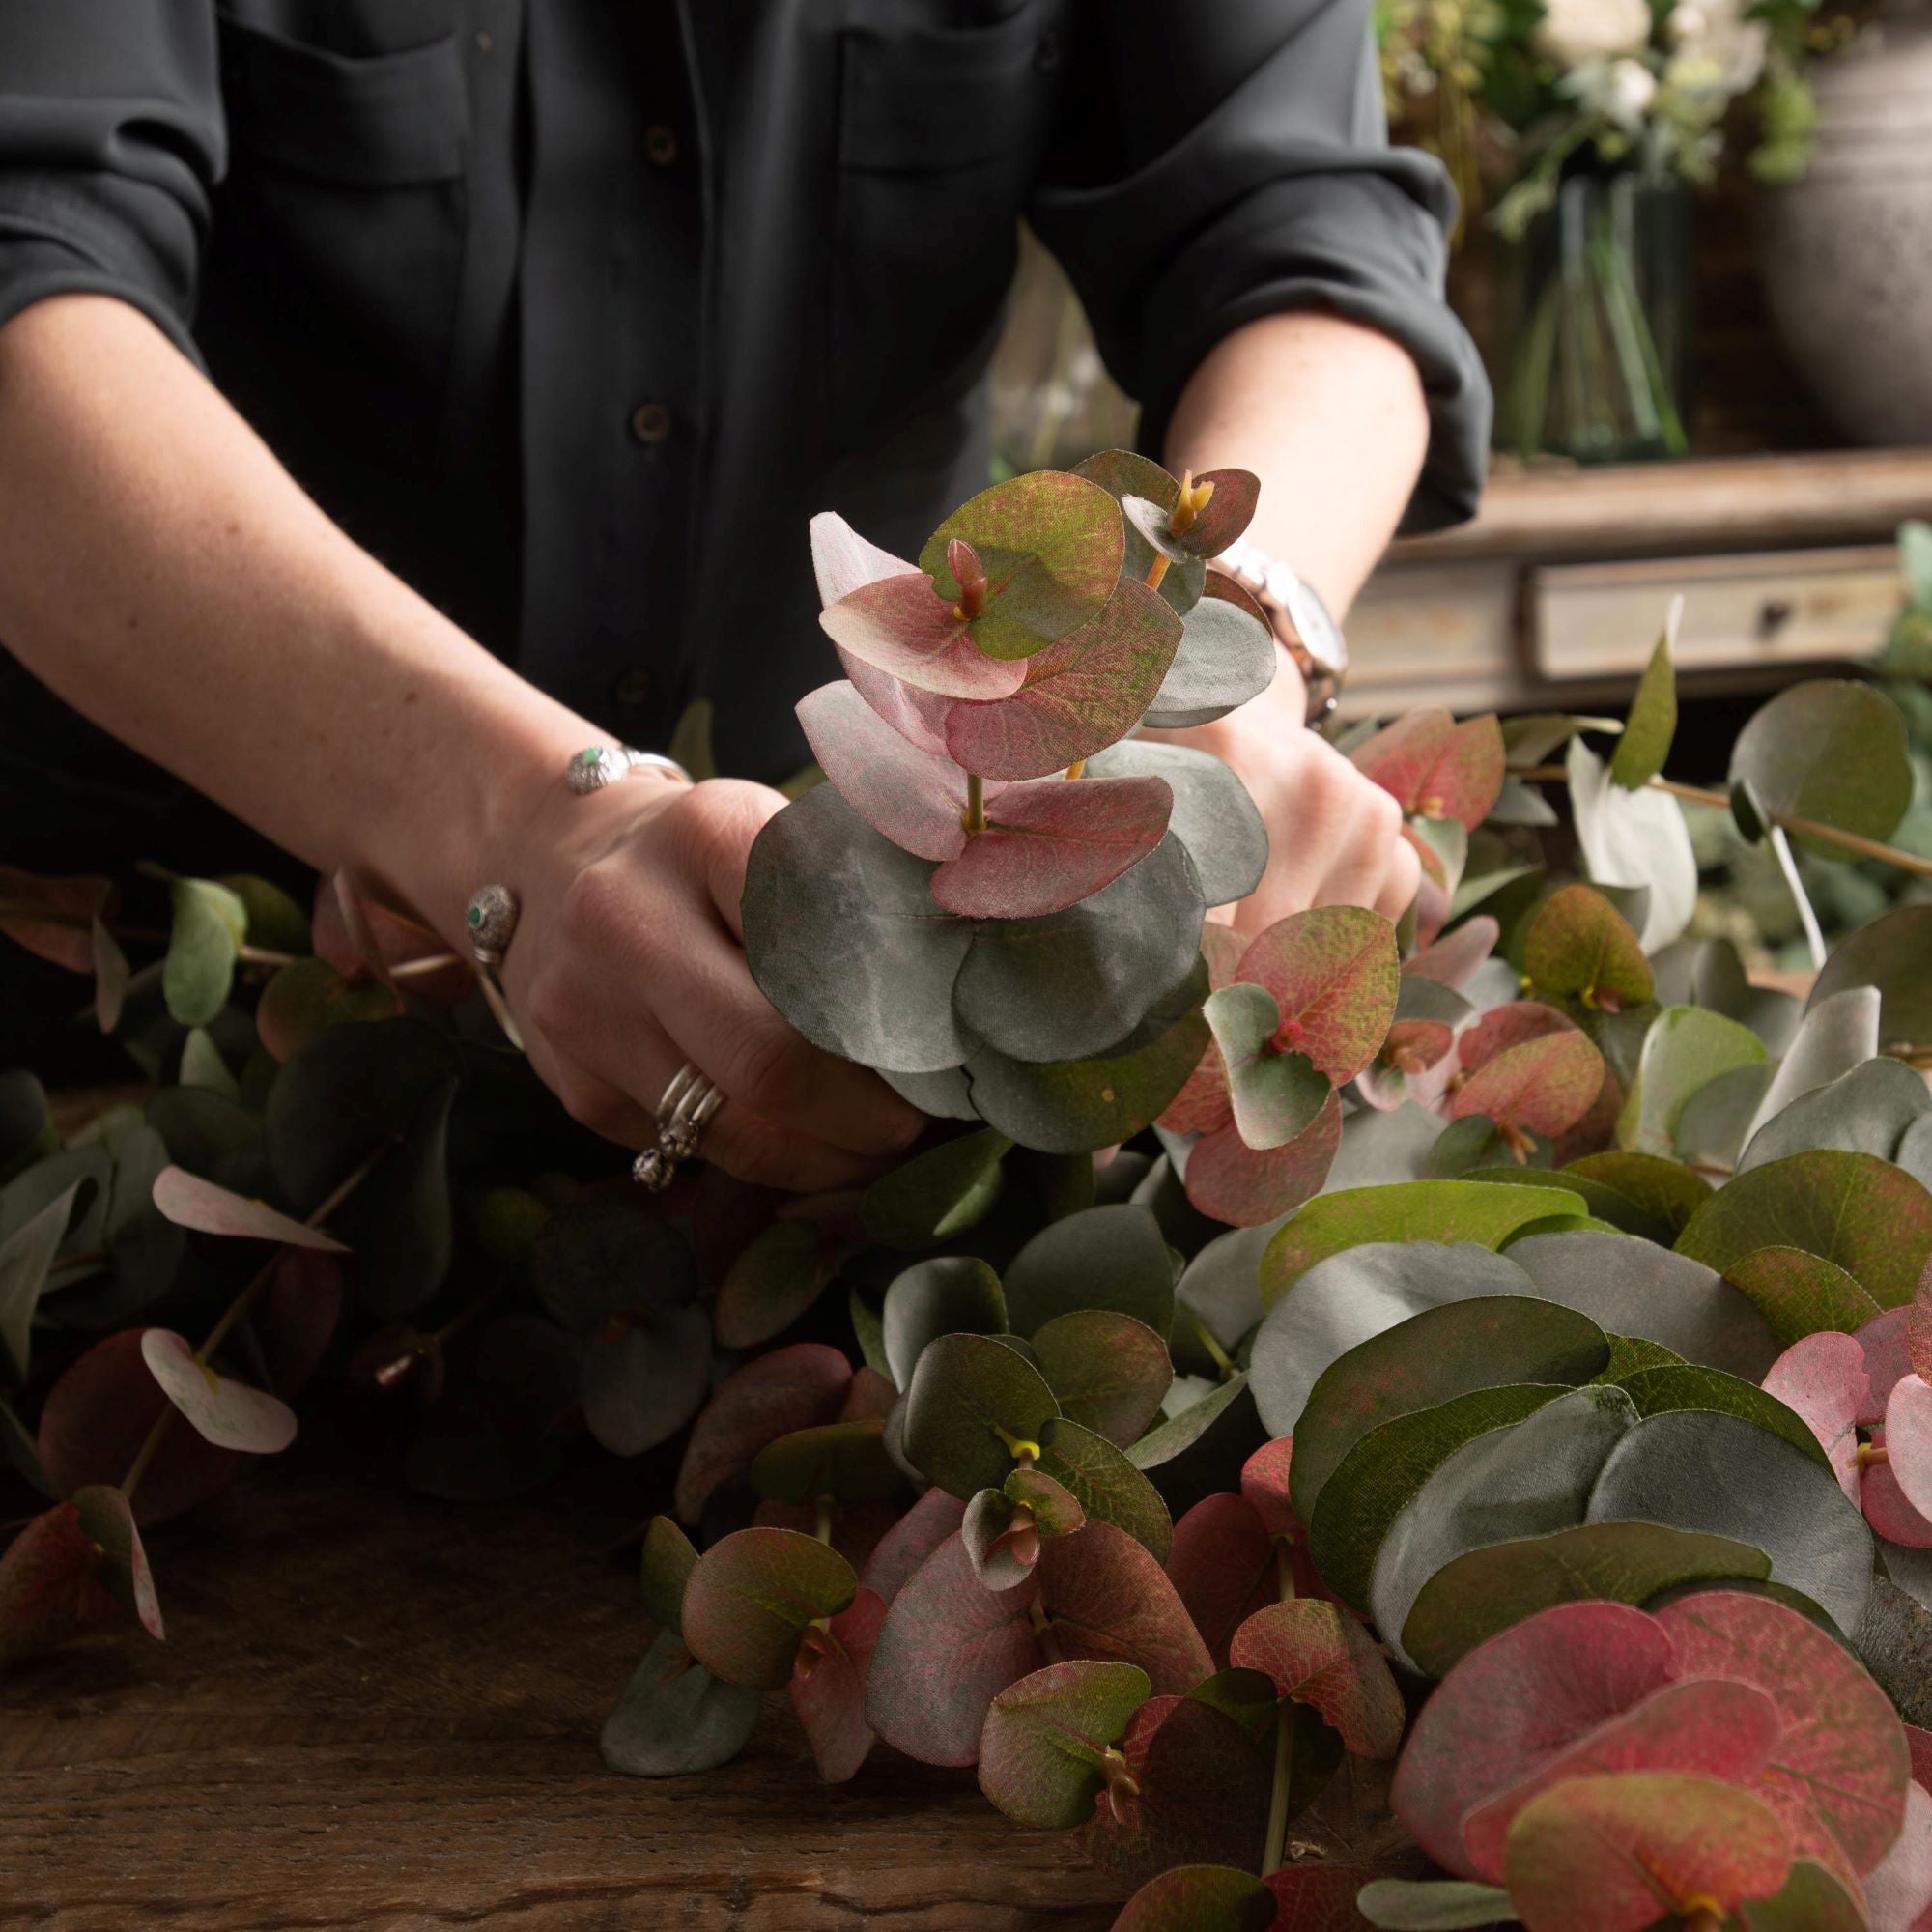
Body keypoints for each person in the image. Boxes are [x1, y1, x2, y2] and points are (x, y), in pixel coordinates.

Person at [0, 1, 1489, 1193]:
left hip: (874, 1076)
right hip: (146, 1060)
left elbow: (1306, 236)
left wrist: (1226, 651)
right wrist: (515, 819)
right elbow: (29, 278)